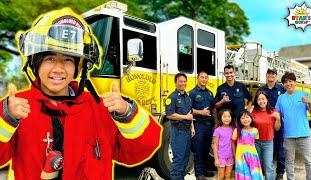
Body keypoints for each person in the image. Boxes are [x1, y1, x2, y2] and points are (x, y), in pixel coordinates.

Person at [0, 8, 162, 180]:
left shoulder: (99, 109)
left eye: (68, 59)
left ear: (79, 68)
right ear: (35, 62)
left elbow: (138, 152)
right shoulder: (15, 108)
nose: (58, 68)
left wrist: (128, 114)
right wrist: (7, 119)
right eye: (49, 58)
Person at [275, 72, 311, 180]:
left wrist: (310, 102)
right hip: (288, 135)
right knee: (289, 161)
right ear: (283, 84)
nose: (288, 84)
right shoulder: (281, 98)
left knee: (309, 161)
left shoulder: (304, 94)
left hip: (304, 133)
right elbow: (278, 114)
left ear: (295, 82)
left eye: (290, 81)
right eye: (285, 82)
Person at [257, 68, 286, 179]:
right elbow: (257, 103)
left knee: (280, 149)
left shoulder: (281, 89)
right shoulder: (261, 89)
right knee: (268, 149)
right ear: (266, 75)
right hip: (265, 124)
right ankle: (266, 172)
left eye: (273, 73)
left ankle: (280, 172)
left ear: (276, 75)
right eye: (269, 73)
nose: (271, 75)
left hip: (278, 122)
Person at [165, 73, 195, 180]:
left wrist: (192, 127)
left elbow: (190, 113)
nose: (183, 83)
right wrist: (185, 117)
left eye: (184, 81)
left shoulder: (187, 97)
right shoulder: (172, 97)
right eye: (180, 81)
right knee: (178, 159)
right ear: (175, 82)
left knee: (185, 159)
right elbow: (169, 115)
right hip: (178, 132)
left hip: (187, 132)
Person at [189, 71, 215, 180]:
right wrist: (200, 112)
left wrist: (216, 123)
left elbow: (213, 109)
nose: (204, 79)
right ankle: (199, 174)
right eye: (202, 77)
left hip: (209, 125)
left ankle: (204, 170)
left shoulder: (210, 93)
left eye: (206, 77)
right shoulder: (192, 93)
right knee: (198, 149)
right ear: (197, 78)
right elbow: (188, 109)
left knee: (205, 149)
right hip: (198, 124)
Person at [252, 91, 281, 180]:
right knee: (257, 165)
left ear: (267, 100)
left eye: (263, 99)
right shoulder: (253, 112)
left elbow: (277, 128)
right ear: (256, 101)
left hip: (268, 142)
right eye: (259, 99)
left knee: (268, 165)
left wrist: (278, 119)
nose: (261, 101)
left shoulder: (273, 111)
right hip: (255, 142)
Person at [232, 110, 263, 180]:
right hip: (240, 155)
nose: (245, 119)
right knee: (243, 172)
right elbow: (233, 143)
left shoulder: (255, 130)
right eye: (243, 118)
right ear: (239, 120)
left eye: (247, 117)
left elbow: (255, 143)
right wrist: (234, 155)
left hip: (252, 155)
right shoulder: (237, 130)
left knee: (253, 172)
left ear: (251, 118)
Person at [212, 109, 235, 180]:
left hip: (230, 156)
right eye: (224, 116)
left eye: (229, 116)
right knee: (221, 176)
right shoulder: (217, 130)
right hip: (221, 157)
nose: (227, 118)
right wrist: (216, 159)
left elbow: (233, 143)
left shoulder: (233, 129)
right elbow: (215, 145)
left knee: (228, 175)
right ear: (220, 118)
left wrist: (235, 155)